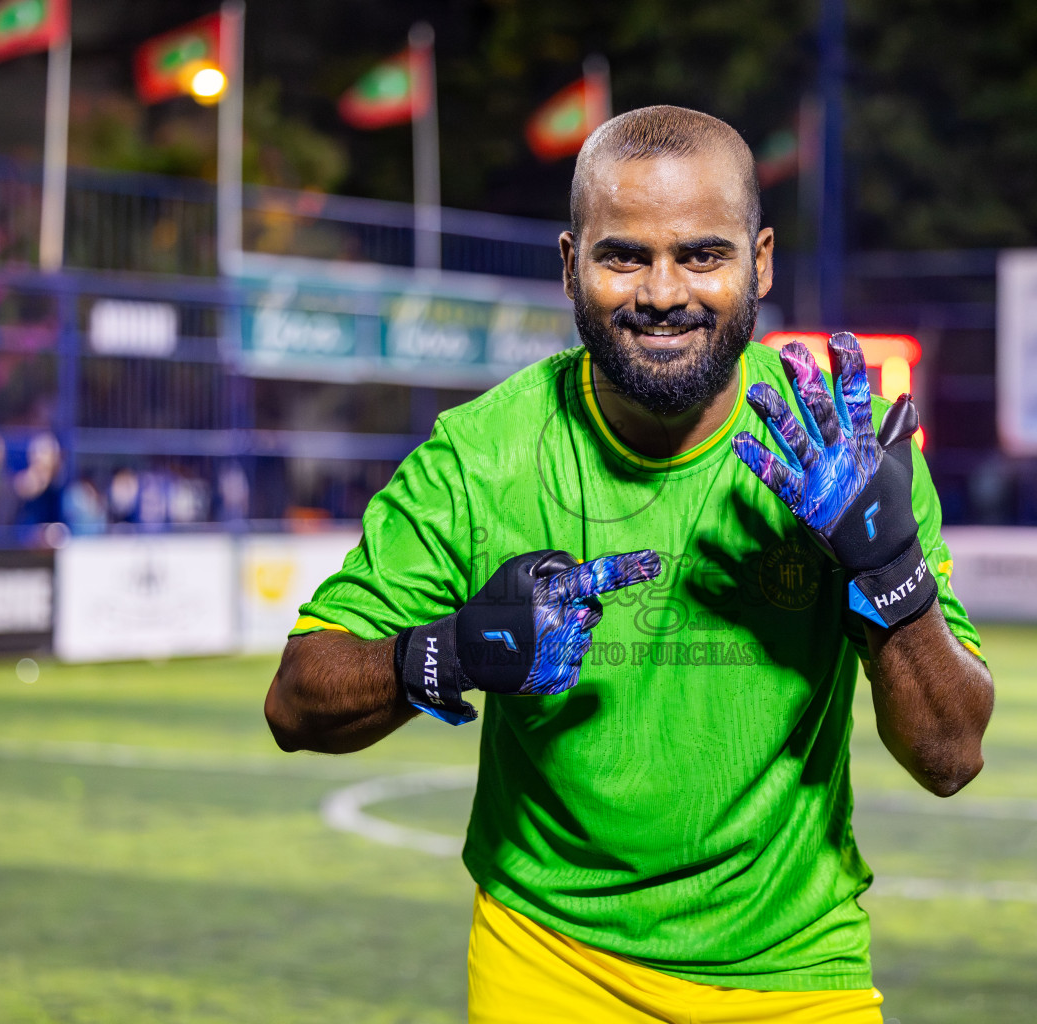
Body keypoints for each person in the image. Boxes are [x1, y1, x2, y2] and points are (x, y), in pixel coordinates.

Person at [265, 105, 994, 1023]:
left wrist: (889, 571)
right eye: (623, 256)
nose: (662, 291)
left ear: (759, 262)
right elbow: (296, 702)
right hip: (548, 961)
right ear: (570, 263)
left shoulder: (839, 454)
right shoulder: (481, 456)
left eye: (702, 255)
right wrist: (450, 652)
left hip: (794, 968)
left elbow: (950, 755)